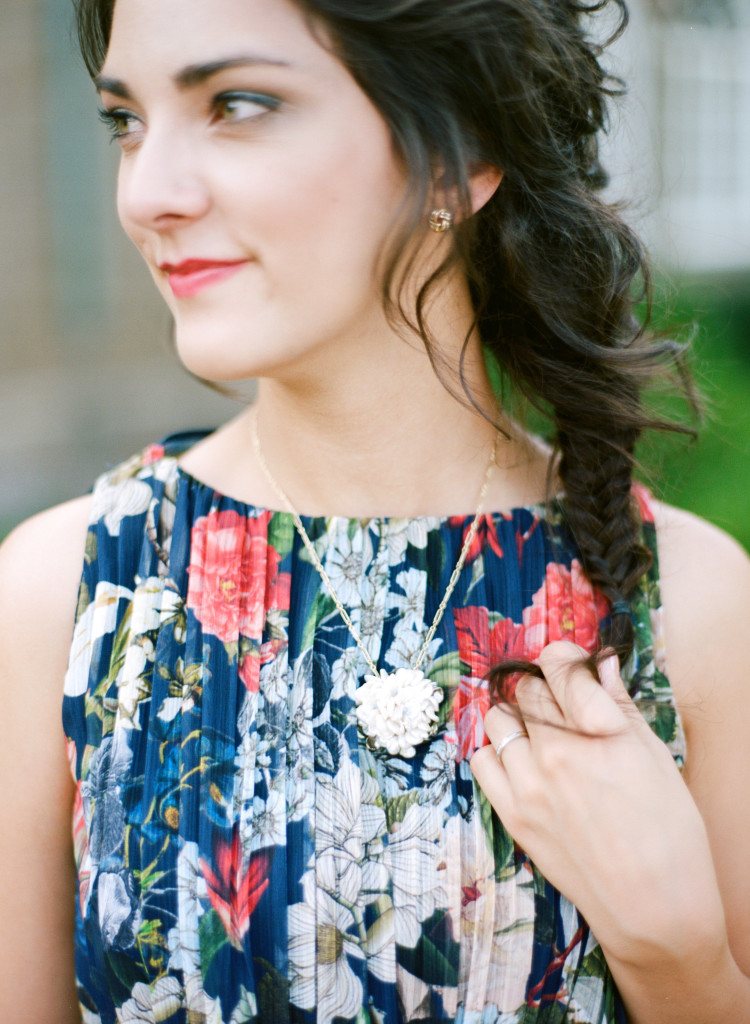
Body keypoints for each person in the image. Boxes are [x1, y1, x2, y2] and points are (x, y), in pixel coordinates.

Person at [1, 0, 748, 1020]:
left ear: (462, 154)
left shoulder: (688, 605)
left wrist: (679, 957)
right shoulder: (69, 593)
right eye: (125, 120)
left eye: (237, 104)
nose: (148, 192)